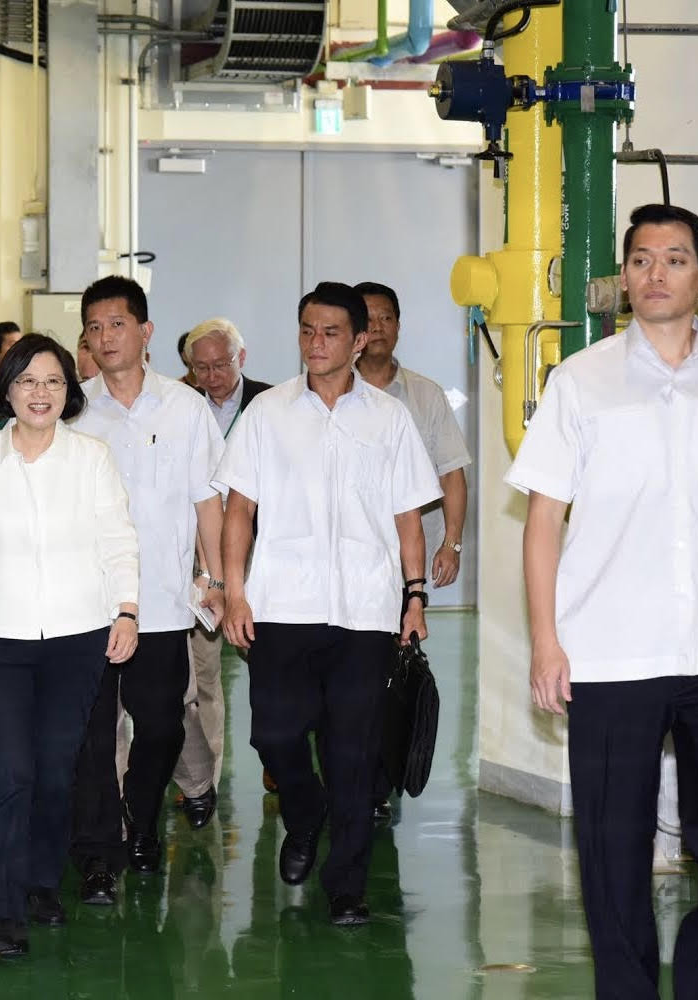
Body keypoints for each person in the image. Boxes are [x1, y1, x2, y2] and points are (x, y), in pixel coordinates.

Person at [507, 203, 698, 999]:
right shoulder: (581, 381)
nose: (656, 274)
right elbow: (544, 517)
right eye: (642, 259)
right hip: (612, 648)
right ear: (624, 277)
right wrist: (547, 643)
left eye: (675, 259)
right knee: (612, 846)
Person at [215, 281, 439, 927]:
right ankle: (304, 812)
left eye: (332, 332)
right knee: (275, 735)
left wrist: (414, 596)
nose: (317, 344)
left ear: (359, 339)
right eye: (308, 331)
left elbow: (406, 518)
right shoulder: (267, 413)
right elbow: (239, 509)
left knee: (353, 752)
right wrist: (235, 591)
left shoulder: (389, 418)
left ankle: (347, 888)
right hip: (282, 604)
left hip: (366, 611)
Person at [0, 333, 139, 958]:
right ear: (8, 389)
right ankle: (4, 913)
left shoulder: (91, 457)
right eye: (27, 381)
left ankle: (44, 883)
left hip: (77, 639)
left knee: (56, 771)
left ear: (67, 391)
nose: (40, 393)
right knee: (10, 774)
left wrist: (126, 609)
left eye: (52, 381)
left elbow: (118, 539)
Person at [69, 276, 226, 902]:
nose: (106, 337)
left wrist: (213, 577)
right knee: (92, 734)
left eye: (117, 324)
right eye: (95, 327)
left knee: (161, 727)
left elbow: (207, 502)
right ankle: (106, 845)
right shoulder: (75, 409)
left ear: (145, 332)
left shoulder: (183, 408)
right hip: (88, 605)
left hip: (160, 605)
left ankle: (142, 813)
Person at [174, 317, 273, 818]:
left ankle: (276, 751)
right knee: (202, 671)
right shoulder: (177, 406)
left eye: (221, 364)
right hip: (194, 553)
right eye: (200, 367)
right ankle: (202, 778)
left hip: (260, 552)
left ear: (242, 357)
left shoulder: (271, 404)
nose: (211, 376)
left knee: (267, 660)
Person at [354, 282, 471, 591]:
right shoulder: (333, 392)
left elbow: (452, 474)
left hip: (411, 558)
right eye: (368, 319)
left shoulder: (427, 395)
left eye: (386, 318)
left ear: (398, 326)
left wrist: (452, 544)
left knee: (406, 634)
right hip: (347, 555)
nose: (377, 327)